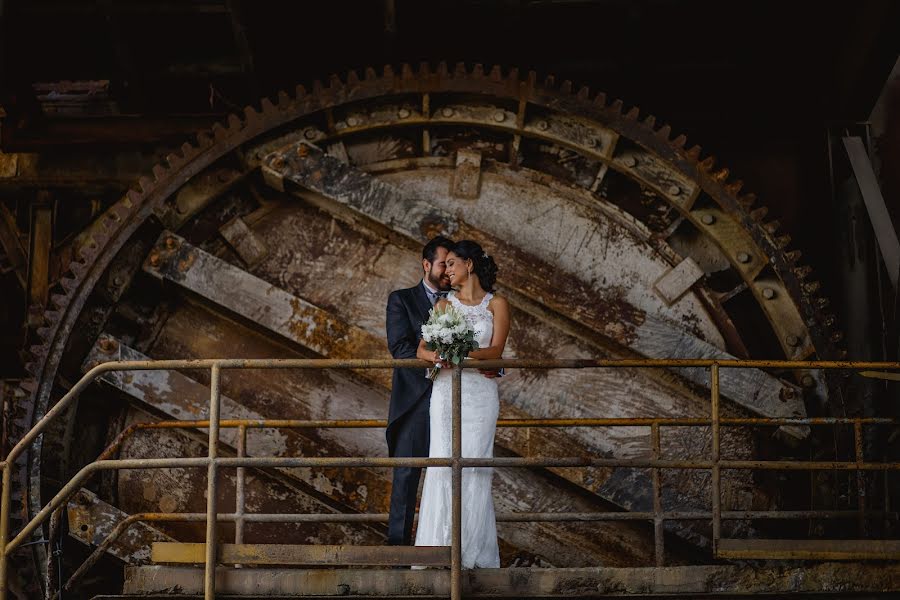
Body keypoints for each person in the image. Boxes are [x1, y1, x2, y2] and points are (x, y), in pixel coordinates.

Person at [414, 240, 509, 568]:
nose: (447, 270)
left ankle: (471, 555)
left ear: (470, 264)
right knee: (442, 466)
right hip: (446, 393)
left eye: (452, 263)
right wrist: (439, 355)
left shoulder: (497, 304)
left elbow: (496, 352)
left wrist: (460, 352)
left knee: (476, 467)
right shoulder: (443, 307)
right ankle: (437, 552)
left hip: (481, 398)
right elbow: (421, 350)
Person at [385, 236, 455, 546]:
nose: (447, 271)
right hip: (414, 401)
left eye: (451, 265)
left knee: (450, 479)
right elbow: (399, 348)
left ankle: (444, 552)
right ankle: (399, 560)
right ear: (426, 264)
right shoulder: (400, 299)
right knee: (406, 480)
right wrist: (432, 359)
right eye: (443, 264)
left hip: (453, 401)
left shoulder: (460, 300)